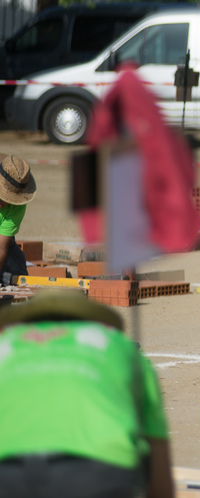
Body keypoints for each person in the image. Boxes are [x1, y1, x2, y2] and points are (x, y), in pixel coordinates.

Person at [0, 290, 173, 498]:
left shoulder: (6, 344)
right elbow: (159, 464)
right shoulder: (119, 346)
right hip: (99, 472)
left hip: (8, 470)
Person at [0, 153, 36, 287]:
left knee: (17, 266)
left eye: (8, 199)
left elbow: (1, 247)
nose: (3, 203)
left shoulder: (17, 207)